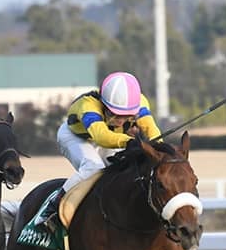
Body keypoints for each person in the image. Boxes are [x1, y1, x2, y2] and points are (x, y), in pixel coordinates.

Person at [34, 71, 162, 231]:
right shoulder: (88, 105)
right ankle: (52, 209)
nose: (121, 120)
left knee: (119, 170)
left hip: (109, 139)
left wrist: (160, 150)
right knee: (93, 168)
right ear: (104, 104)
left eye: (126, 115)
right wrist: (129, 141)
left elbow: (152, 130)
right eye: (115, 114)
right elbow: (101, 136)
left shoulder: (140, 103)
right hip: (76, 137)